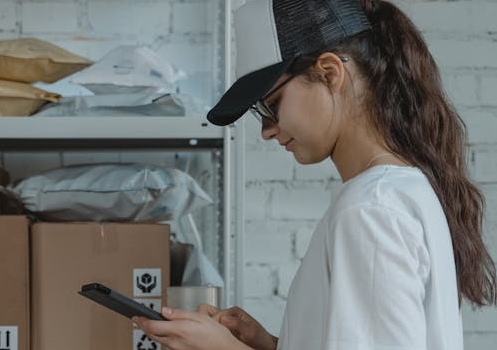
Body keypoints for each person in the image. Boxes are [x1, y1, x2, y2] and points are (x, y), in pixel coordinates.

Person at [133, 0, 497, 349]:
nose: (267, 130)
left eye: (271, 106)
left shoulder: (371, 210)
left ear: (329, 73)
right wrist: (271, 345)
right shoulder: (401, 190)